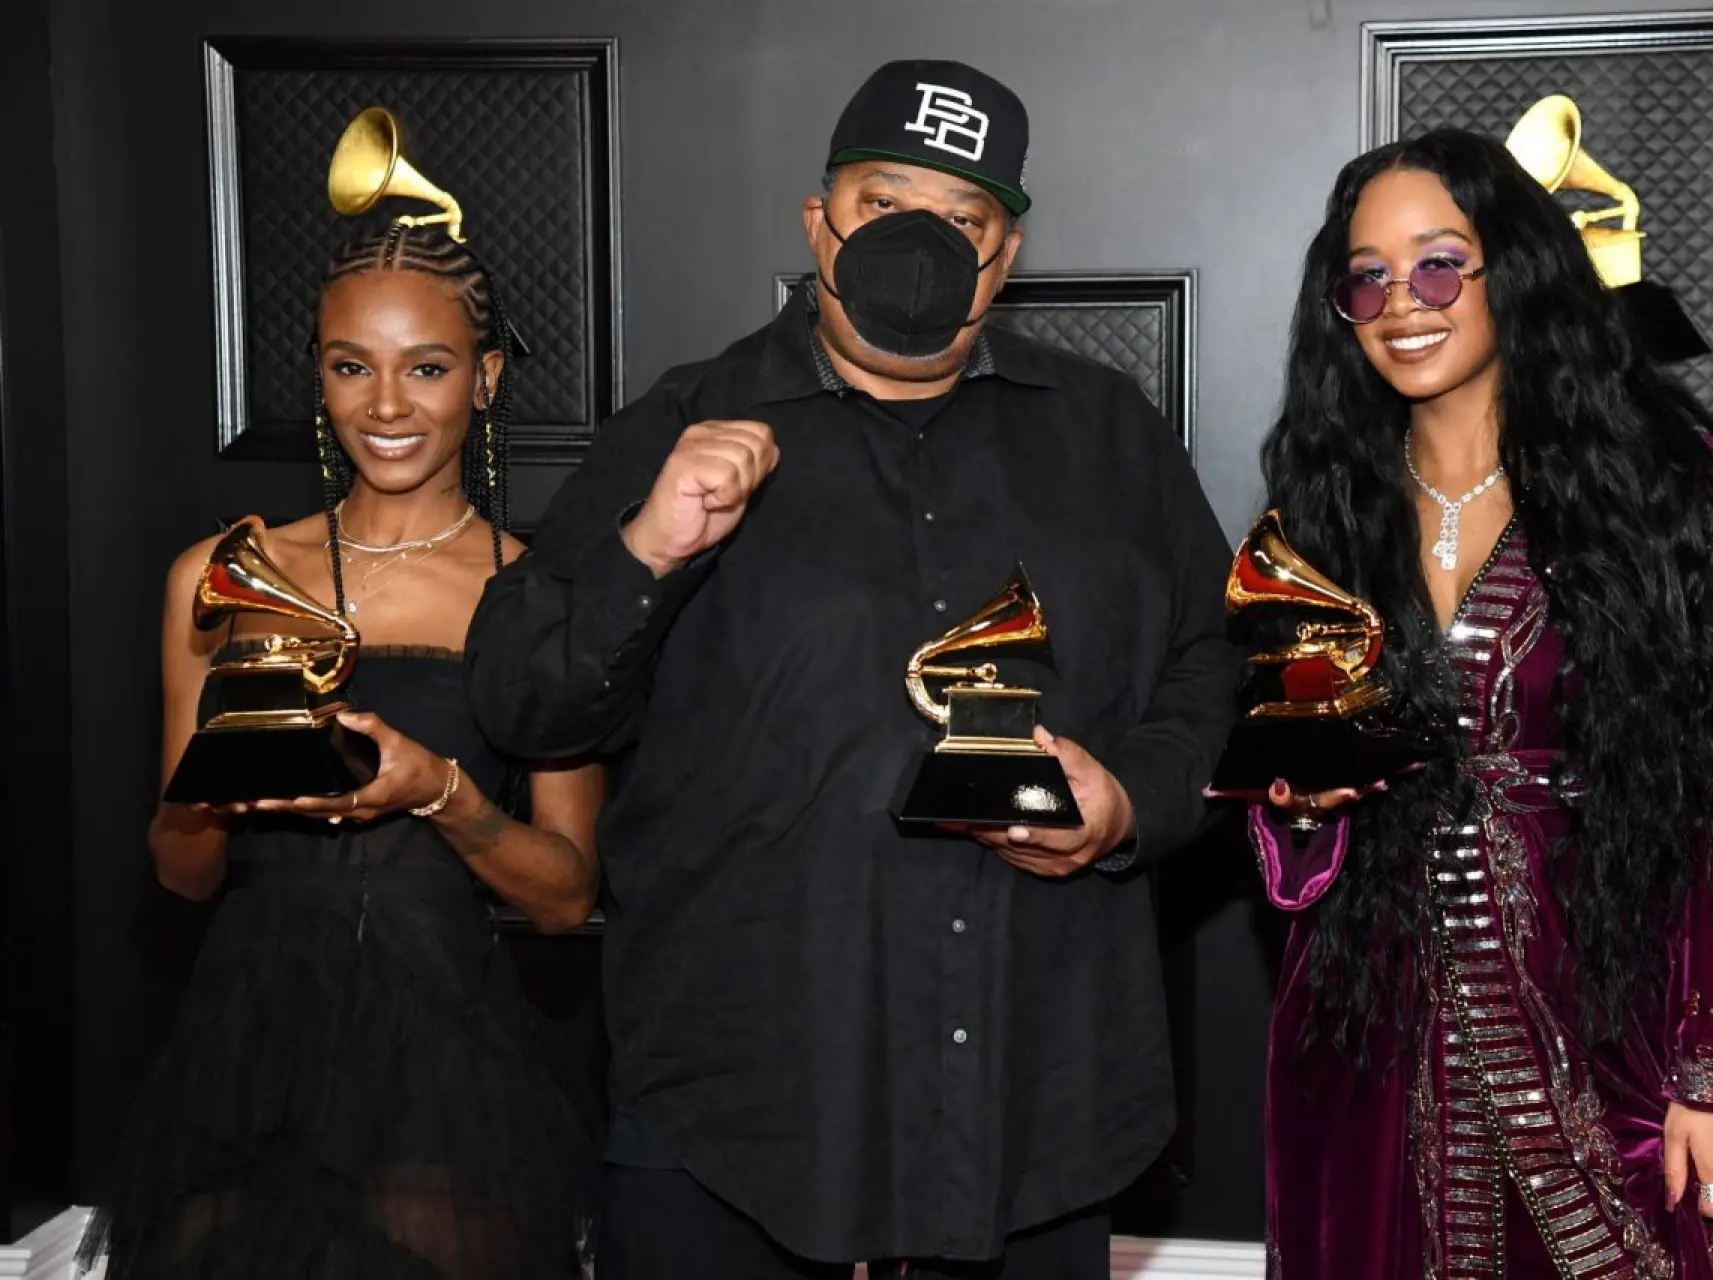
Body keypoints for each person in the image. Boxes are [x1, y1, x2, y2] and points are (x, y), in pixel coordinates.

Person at [465, 58, 1238, 1279]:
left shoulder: (1109, 434)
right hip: (737, 1120)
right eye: (884, 204)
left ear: (1006, 254)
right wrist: (648, 546)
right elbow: (525, 701)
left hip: (1032, 1106)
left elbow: (1220, 661)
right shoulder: (680, 423)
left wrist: (1135, 797)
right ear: (818, 222)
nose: (919, 243)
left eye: (962, 219)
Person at [1244, 129, 1713, 1277]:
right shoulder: (1320, 508)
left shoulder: (1661, 479)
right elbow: (1288, 807)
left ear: (1516, 265)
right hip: (1361, 1030)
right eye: (1368, 277)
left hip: (1601, 1007)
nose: (1403, 301)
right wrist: (1298, 800)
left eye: (1440, 264)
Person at [82, 207, 603, 1277]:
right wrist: (216, 791)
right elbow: (181, 875)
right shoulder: (222, 577)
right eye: (351, 366)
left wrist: (440, 792)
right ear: (318, 376)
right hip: (244, 1056)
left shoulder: (541, 597)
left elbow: (564, 896)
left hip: (450, 1070)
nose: (386, 405)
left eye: (427, 368)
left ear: (486, 379)